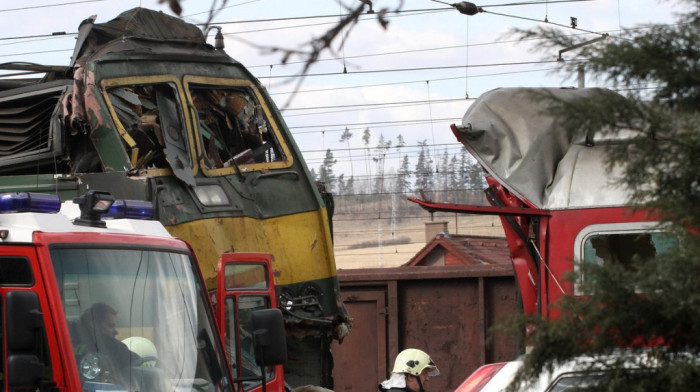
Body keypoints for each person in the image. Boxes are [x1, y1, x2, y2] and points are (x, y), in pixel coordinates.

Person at [72, 303, 140, 384]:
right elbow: (138, 363)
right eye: (110, 326)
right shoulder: (111, 345)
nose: (115, 332)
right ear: (93, 325)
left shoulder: (70, 340)